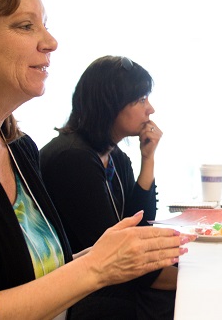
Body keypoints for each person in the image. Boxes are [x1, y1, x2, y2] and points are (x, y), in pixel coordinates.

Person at [0, 0, 193, 319]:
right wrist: (98, 267)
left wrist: (100, 256)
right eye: (26, 26)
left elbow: (37, 274)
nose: (51, 42)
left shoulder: (18, 148)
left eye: (44, 24)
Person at [40, 55, 174, 319]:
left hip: (107, 284)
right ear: (110, 105)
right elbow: (119, 259)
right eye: (141, 99)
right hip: (80, 295)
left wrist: (148, 159)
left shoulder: (113, 156)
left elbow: (139, 222)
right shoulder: (73, 158)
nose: (151, 109)